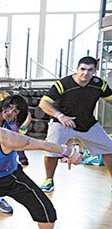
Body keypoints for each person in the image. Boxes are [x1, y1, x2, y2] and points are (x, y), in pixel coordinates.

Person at [38, 56, 112, 192]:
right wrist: (60, 116)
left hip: (88, 124)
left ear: (94, 71)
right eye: (82, 69)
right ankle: (49, 180)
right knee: (51, 150)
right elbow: (43, 103)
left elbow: (110, 99)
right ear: (77, 69)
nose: (85, 73)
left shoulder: (99, 84)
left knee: (110, 148)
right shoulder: (63, 84)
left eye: (90, 70)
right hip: (63, 123)